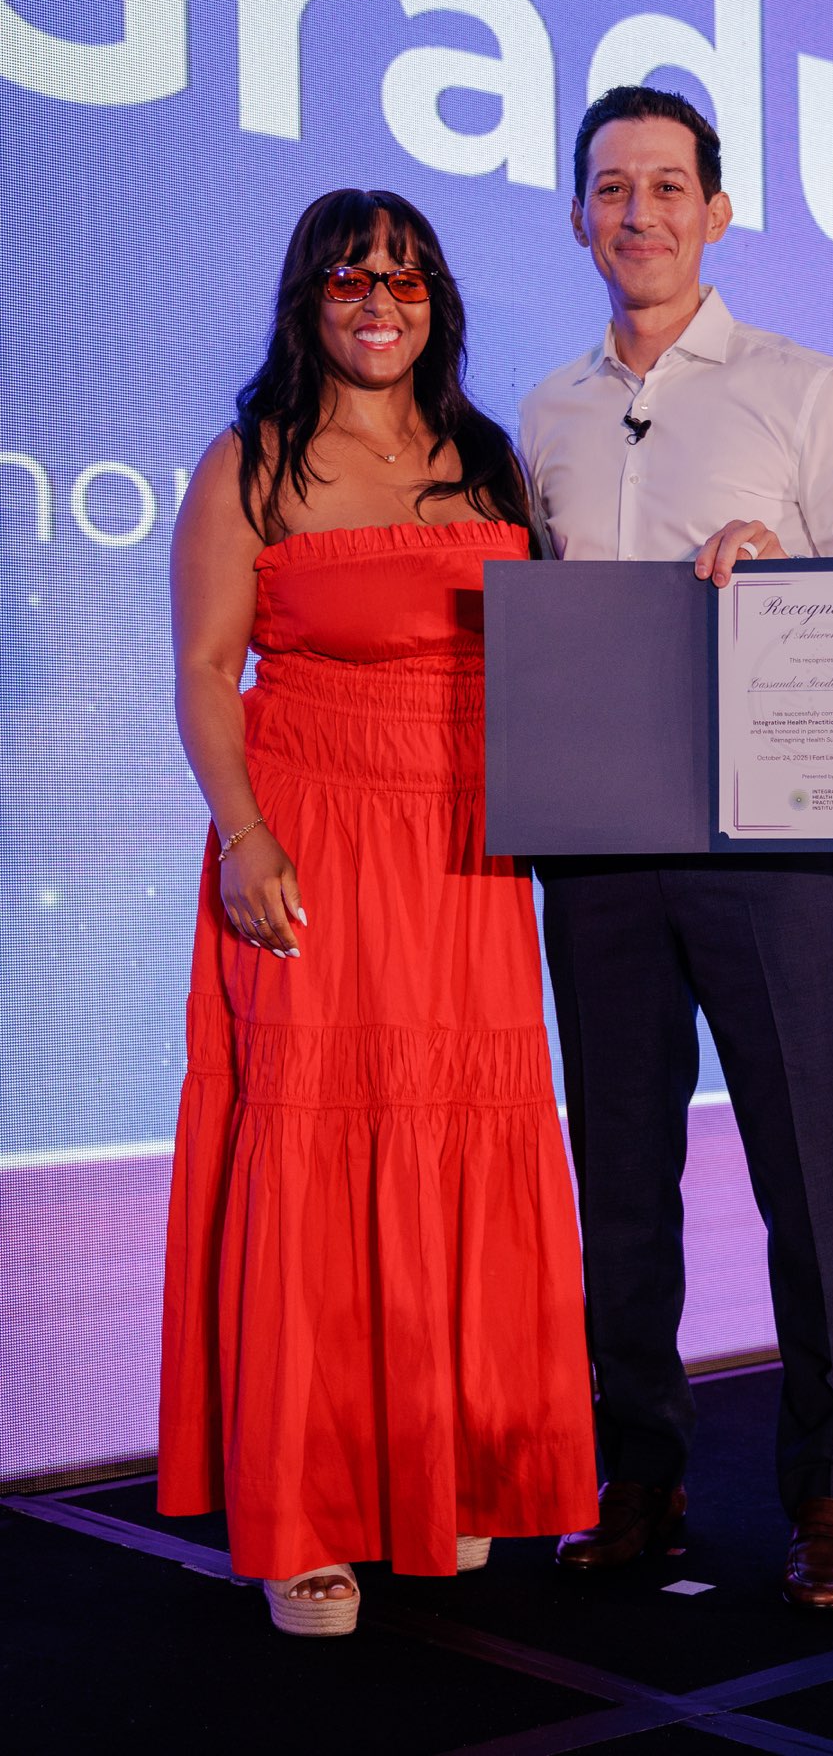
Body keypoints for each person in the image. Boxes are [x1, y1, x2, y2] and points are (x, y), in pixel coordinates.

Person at [519, 87, 833, 1608]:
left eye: (666, 186)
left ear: (715, 212)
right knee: (620, 1176)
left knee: (804, 1173)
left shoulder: (803, 386)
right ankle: (638, 1475)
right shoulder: (547, 414)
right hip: (598, 843)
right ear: (579, 217)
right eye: (610, 188)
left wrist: (783, 574)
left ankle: (830, 1495)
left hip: (769, 843)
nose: (637, 212)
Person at [158, 187, 596, 1635]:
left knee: (461, 1135)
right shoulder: (251, 462)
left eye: (405, 280)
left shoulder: (489, 456)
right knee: (317, 1150)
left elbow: (557, 652)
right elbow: (207, 671)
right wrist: (245, 837)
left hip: (469, 852)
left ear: (436, 303)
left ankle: (445, 1470)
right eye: (350, 278)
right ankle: (309, 1518)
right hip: (313, 836)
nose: (378, 303)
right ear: (309, 298)